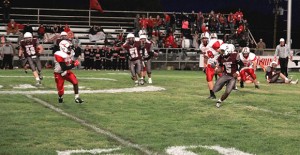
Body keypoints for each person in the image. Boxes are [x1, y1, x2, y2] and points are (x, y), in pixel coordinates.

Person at [213, 43, 244, 108]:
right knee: (215, 89)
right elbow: (221, 67)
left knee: (227, 92)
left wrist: (237, 72)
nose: (221, 52)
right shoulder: (220, 57)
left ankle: (219, 101)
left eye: (222, 50)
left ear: (227, 50)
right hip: (225, 75)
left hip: (233, 76)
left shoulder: (235, 56)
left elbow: (241, 65)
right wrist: (217, 70)